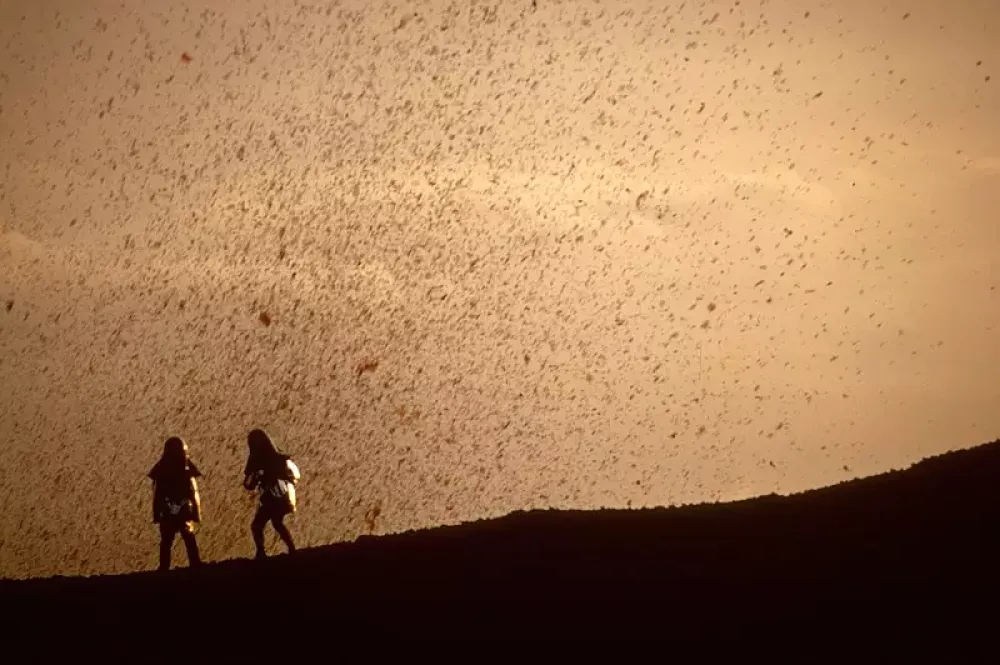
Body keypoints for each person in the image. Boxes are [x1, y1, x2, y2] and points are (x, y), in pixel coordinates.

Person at [243, 429, 300, 559]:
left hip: (274, 497)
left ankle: (263, 551)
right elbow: (248, 484)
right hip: (272, 497)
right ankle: (289, 548)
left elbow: (294, 475)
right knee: (274, 523)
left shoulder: (273, 459)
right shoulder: (278, 458)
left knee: (260, 525)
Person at [149, 437, 202, 571]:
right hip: (176, 508)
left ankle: (168, 567)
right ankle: (192, 564)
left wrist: (156, 512)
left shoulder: (164, 468)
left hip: (175, 508)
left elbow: (157, 493)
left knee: (173, 539)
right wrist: (196, 512)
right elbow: (193, 492)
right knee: (179, 538)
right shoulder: (183, 468)